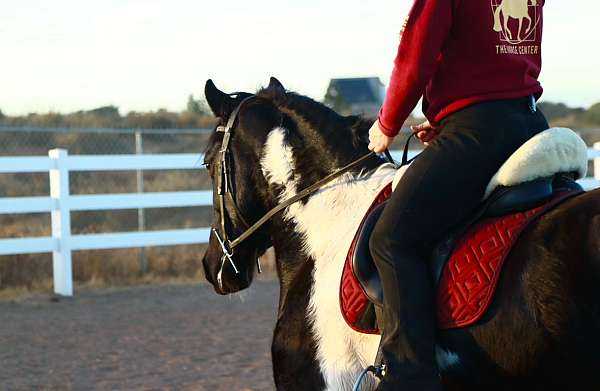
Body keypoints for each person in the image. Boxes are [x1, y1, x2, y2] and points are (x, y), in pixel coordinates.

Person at [367, 0, 548, 389]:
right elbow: (497, 50)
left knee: (392, 238)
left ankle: (409, 376)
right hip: (530, 122)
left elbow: (414, 59)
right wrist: (446, 116)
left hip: (480, 132)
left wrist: (387, 124)